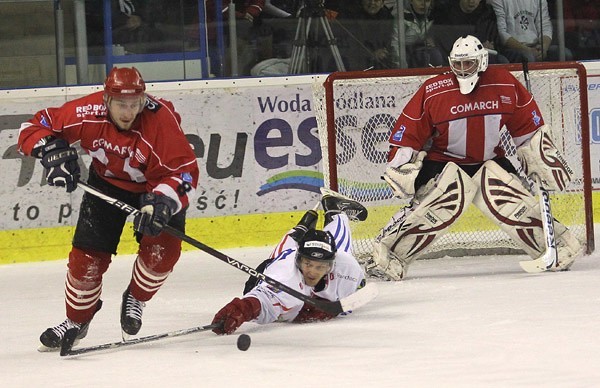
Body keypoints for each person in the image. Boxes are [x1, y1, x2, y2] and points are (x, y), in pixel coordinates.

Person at [365, 35, 582, 281]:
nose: (462, 69)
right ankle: (387, 255)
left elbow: (528, 128)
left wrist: (540, 157)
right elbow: (409, 130)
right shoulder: (435, 90)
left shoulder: (504, 83)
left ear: (481, 61)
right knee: (437, 203)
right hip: (443, 162)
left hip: (490, 159)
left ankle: (560, 247)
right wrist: (401, 163)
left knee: (513, 204)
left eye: (468, 63)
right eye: (457, 64)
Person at [17, 67, 199, 350]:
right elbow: (32, 126)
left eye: (134, 104)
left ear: (142, 101)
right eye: (120, 105)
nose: (128, 112)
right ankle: (76, 321)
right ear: (106, 101)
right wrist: (49, 148)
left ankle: (136, 298)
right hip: (105, 183)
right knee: (85, 261)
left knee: (161, 254)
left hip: (155, 188)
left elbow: (185, 173)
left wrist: (164, 202)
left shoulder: (160, 121)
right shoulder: (85, 111)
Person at [211, 190, 368, 335]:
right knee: (292, 240)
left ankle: (334, 209)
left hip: (326, 258)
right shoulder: (284, 273)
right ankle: (303, 227)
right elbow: (262, 300)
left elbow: (359, 286)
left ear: (330, 265)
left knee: (339, 246)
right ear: (298, 259)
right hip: (278, 263)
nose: (312, 271)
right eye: (308, 264)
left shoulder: (346, 267)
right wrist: (243, 309)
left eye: (320, 267)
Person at [489, 0, 572, 63]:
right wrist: (528, 50)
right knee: (528, 57)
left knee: (564, 54)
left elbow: (545, 25)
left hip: (536, 47)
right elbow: (501, 33)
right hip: (511, 48)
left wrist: (544, 47)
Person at [432, 0, 508, 64]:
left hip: (481, 55)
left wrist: (491, 45)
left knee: (502, 60)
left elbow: (493, 40)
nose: (471, 1)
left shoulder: (487, 12)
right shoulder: (444, 12)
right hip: (455, 56)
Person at [335, 0, 394, 71]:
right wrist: (371, 54)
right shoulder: (349, 16)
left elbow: (390, 43)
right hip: (353, 66)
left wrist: (384, 52)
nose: (372, 3)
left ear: (382, 4)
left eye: (376, 0)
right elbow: (348, 46)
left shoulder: (387, 18)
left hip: (379, 66)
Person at [391, 0, 443, 68]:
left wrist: (433, 43)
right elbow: (395, 44)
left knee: (435, 54)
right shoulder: (401, 17)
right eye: (419, 0)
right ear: (411, 1)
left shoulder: (434, 17)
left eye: (427, 1)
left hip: (423, 55)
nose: (423, 4)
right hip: (406, 57)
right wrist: (401, 68)